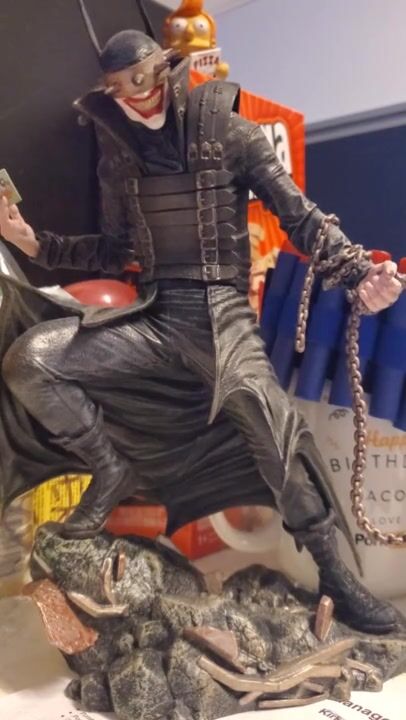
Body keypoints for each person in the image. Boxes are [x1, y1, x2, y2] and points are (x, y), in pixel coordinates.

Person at [0, 30, 402, 634]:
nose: (132, 97)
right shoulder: (119, 156)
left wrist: (359, 273)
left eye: (139, 80)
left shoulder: (231, 134)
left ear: (166, 70)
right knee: (31, 360)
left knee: (275, 437)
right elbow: (115, 249)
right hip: (157, 319)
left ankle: (337, 578)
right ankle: (109, 469)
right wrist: (35, 244)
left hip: (226, 319)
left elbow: (299, 217)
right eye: (116, 89)